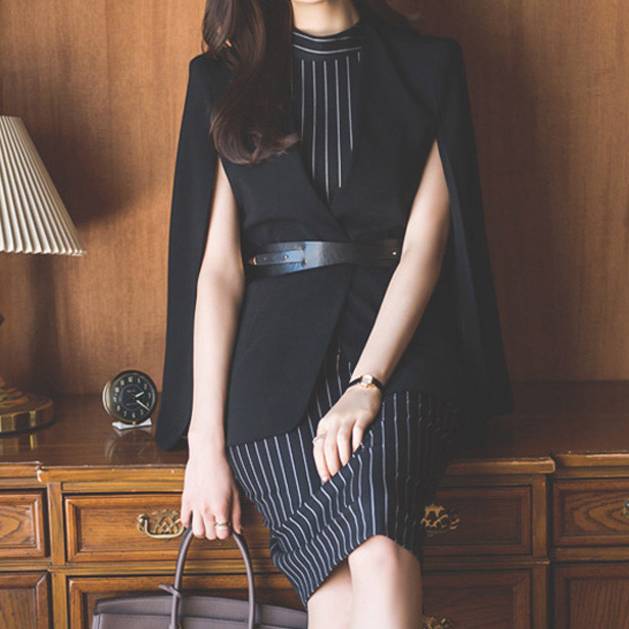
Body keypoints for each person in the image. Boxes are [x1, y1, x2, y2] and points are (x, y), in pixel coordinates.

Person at [155, 1, 514, 627]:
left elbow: (425, 250)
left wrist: (367, 384)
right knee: (333, 586)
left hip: (401, 354)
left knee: (380, 548)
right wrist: (204, 446)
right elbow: (217, 273)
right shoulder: (221, 78)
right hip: (269, 369)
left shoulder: (430, 66)